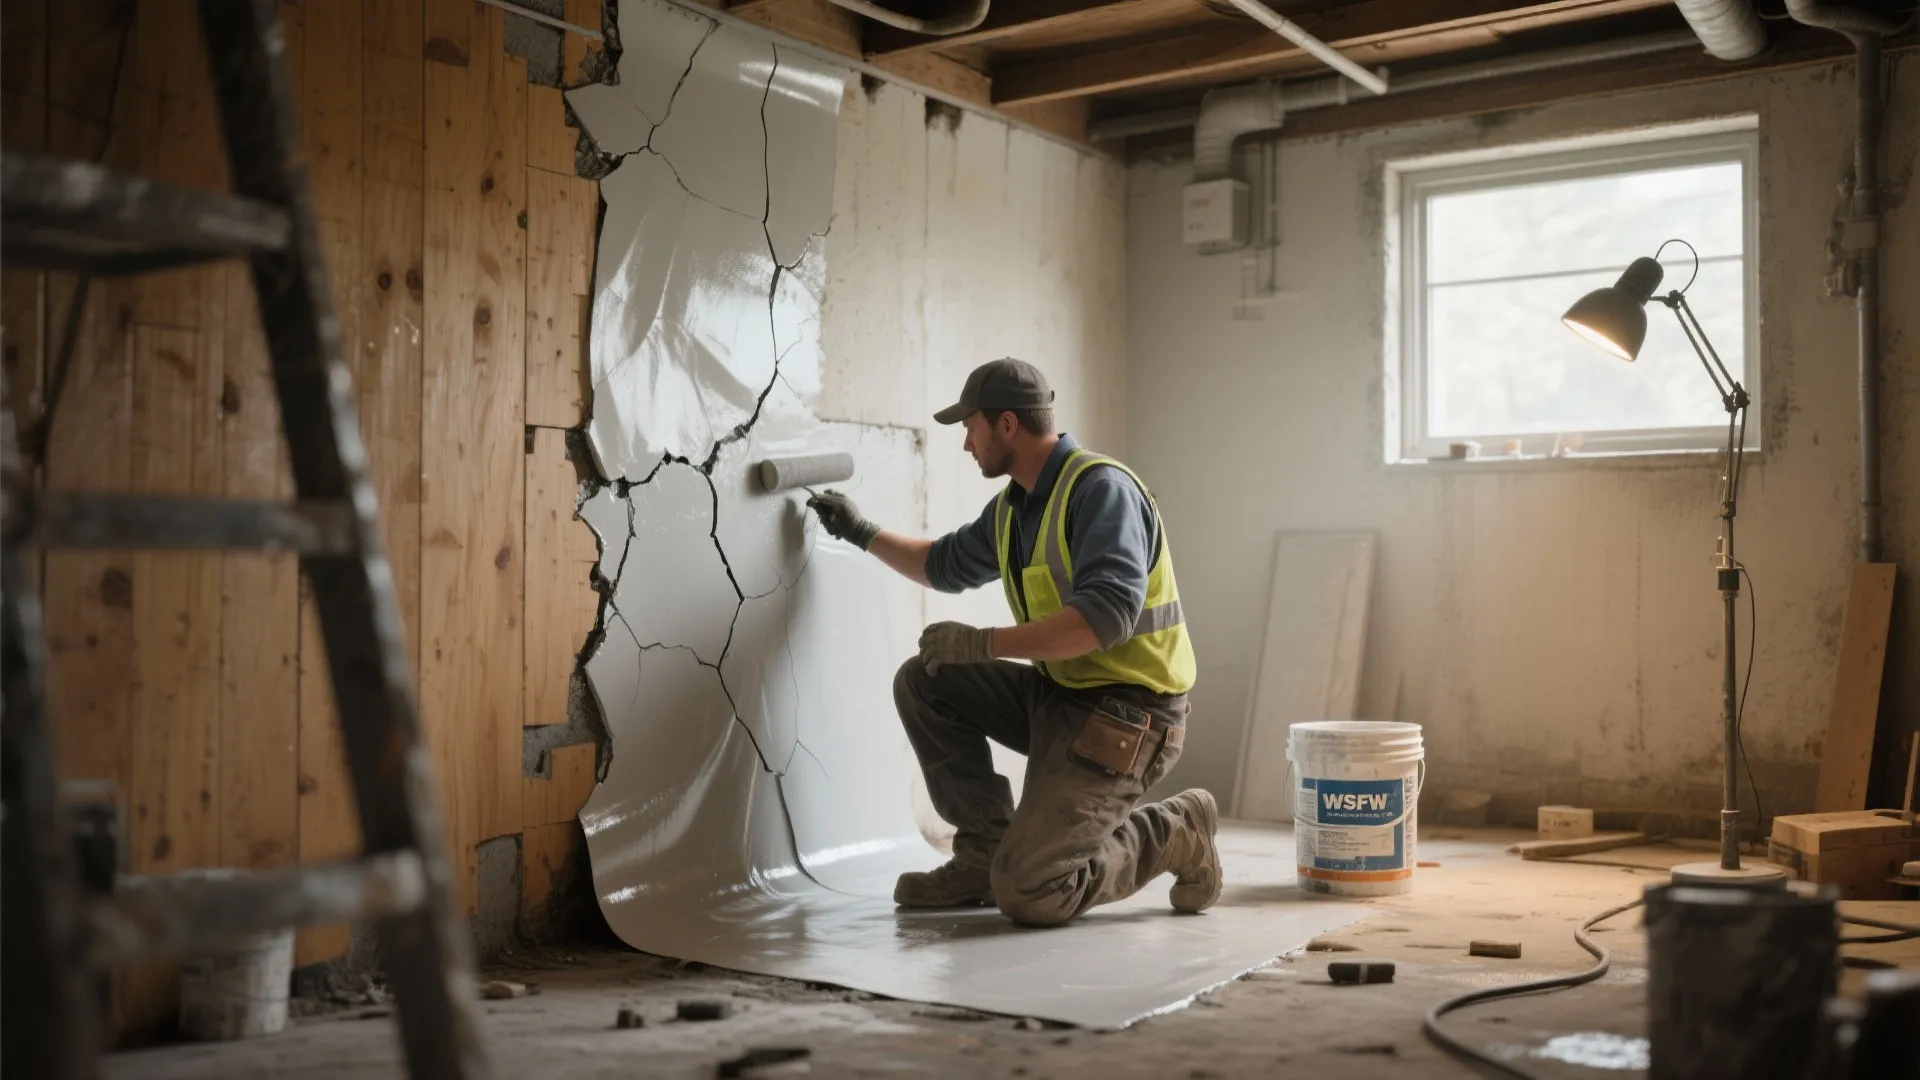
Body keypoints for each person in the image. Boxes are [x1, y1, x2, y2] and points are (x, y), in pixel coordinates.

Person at [807, 358, 1218, 928]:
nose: (966, 444)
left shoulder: (1101, 492)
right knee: (925, 680)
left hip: (1129, 717)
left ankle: (1175, 831)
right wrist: (860, 532)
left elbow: (1105, 618)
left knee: (1033, 891)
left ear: (1006, 425)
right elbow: (942, 565)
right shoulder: (1014, 508)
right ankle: (982, 854)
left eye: (970, 428)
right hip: (1062, 698)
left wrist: (985, 644)